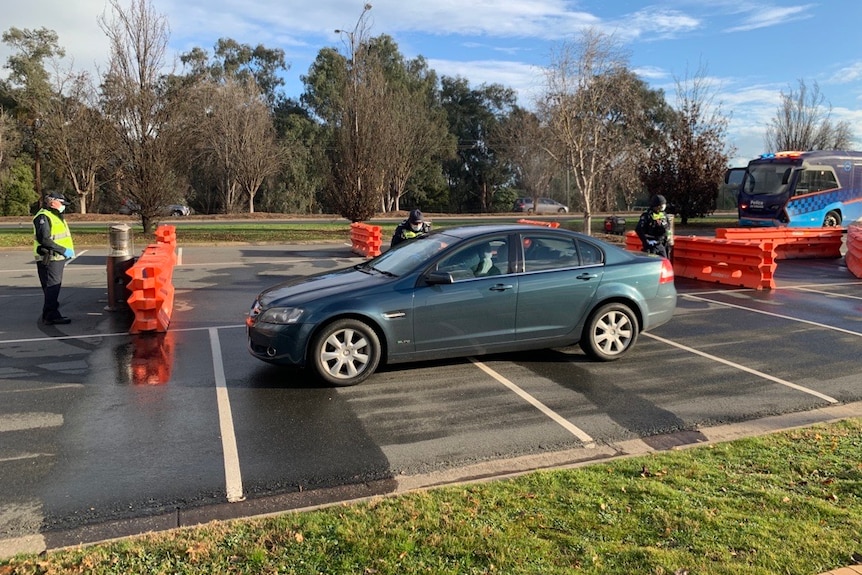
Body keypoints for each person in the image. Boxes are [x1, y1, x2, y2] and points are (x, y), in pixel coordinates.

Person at [33, 191, 75, 325]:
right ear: (53, 202)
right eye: (61, 203)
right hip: (50, 258)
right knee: (52, 287)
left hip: (56, 257)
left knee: (52, 287)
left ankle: (51, 313)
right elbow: (44, 239)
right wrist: (63, 250)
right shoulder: (43, 217)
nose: (63, 206)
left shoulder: (54, 215)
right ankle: (50, 315)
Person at [635, 194, 672, 258]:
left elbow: (668, 227)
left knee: (664, 262)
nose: (662, 207)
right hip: (652, 244)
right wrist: (646, 242)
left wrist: (669, 238)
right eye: (661, 205)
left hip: (663, 243)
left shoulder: (663, 214)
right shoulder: (647, 215)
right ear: (656, 206)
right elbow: (639, 229)